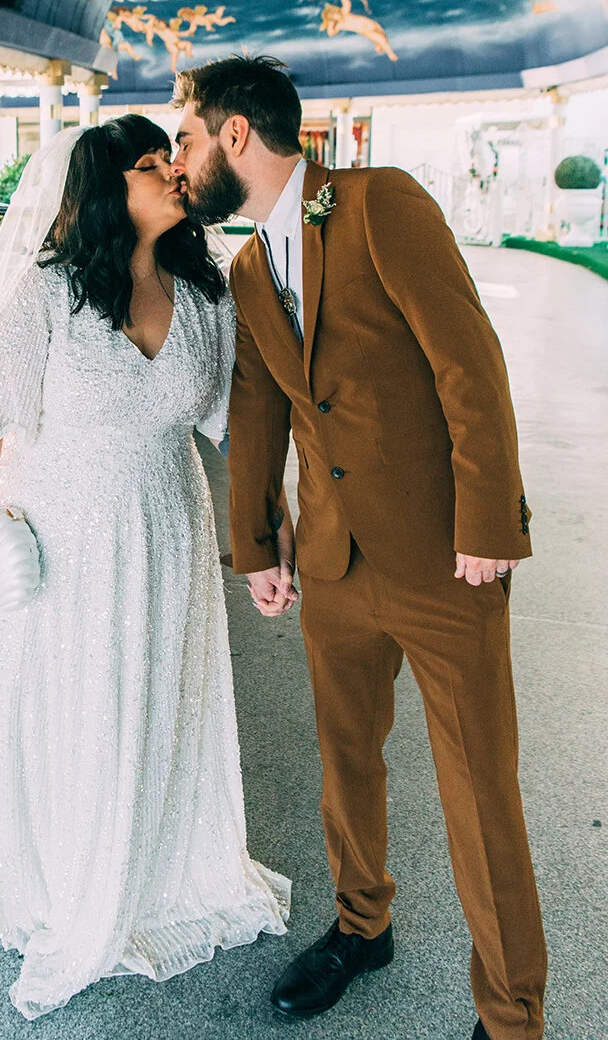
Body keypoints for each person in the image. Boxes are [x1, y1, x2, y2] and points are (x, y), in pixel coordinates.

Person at [172, 56, 546, 1040]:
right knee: (347, 765)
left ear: (237, 134)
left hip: (442, 562)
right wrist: (259, 544)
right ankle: (359, 925)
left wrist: (487, 525)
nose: (180, 158)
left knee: (478, 789)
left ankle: (510, 1013)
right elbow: (258, 411)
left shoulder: (382, 205)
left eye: (186, 135)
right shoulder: (248, 269)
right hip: (333, 568)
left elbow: (468, 361)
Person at [0, 115, 291, 1020]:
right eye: (150, 165)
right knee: (80, 705)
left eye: (169, 160)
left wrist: (271, 524)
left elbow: (234, 421)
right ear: (107, 189)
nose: (174, 174)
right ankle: (77, 878)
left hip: (163, 529)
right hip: (64, 537)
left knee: (154, 696)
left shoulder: (203, 295)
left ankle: (156, 861)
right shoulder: (49, 295)